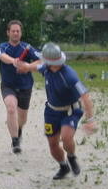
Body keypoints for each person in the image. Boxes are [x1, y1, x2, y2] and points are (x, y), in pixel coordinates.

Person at [17, 42, 97, 180]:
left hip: (70, 111)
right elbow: (35, 66)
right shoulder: (47, 68)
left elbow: (85, 97)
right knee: (53, 145)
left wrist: (90, 120)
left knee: (66, 138)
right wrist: (25, 67)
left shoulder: (69, 75)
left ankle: (71, 157)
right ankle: (63, 166)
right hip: (51, 111)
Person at [0, 20, 42, 154]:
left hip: (25, 86)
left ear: (20, 33)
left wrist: (28, 67)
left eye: (18, 31)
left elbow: (41, 60)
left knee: (22, 118)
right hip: (8, 86)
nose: (15, 33)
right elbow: (2, 56)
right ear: (8, 33)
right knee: (10, 108)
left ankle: (19, 130)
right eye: (13, 31)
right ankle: (15, 141)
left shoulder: (27, 48)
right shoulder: (2, 47)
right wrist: (14, 61)